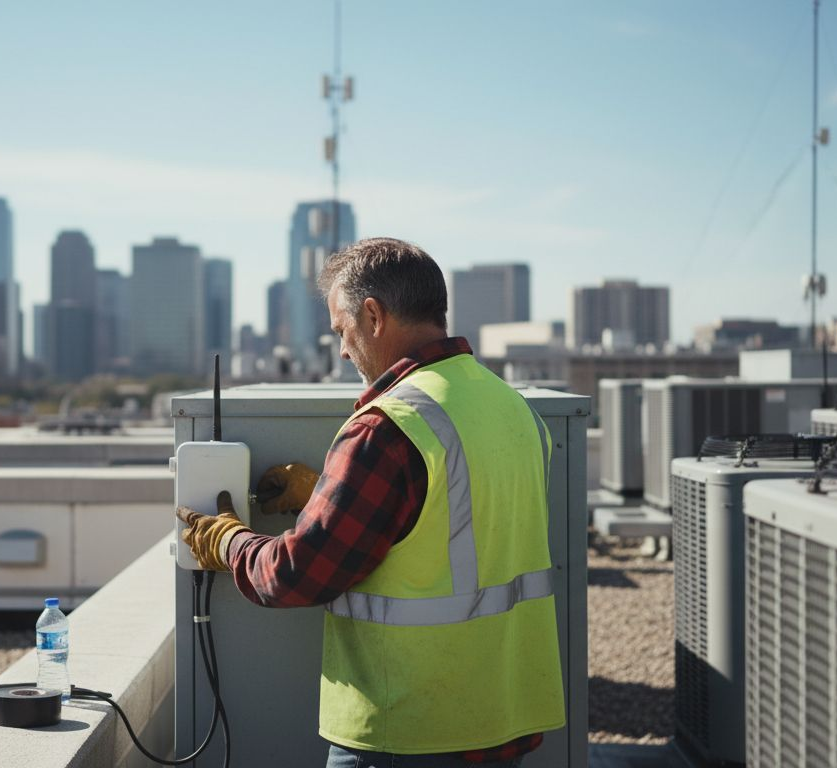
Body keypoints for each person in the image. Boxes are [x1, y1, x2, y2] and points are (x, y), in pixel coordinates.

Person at [177, 238, 565, 767]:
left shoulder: (387, 427)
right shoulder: (510, 407)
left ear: (374, 315)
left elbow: (296, 575)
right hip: (502, 721)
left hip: (405, 731)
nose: (342, 350)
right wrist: (324, 491)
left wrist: (228, 541)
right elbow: (453, 518)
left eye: (342, 330)